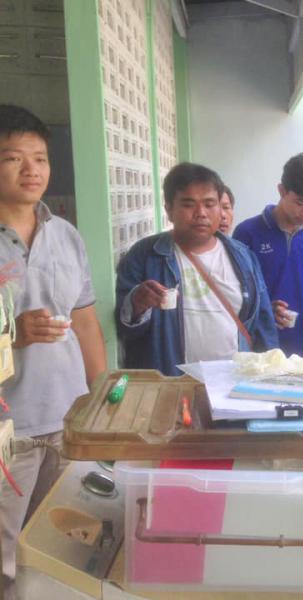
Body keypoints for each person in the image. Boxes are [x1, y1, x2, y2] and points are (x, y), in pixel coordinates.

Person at [0, 104, 106, 596]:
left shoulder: (66, 235)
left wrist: (100, 404)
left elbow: (85, 323)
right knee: (5, 558)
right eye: (13, 158)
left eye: (40, 158)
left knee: (65, 549)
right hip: (8, 433)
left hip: (67, 423)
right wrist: (13, 334)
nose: (31, 170)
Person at [116, 162, 278, 375]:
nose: (201, 213)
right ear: (169, 210)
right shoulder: (145, 255)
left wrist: (270, 373)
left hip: (234, 381)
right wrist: (138, 304)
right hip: (171, 382)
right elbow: (124, 327)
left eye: (209, 204)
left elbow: (263, 324)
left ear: (220, 209)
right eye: (188, 204)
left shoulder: (243, 256)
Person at [234, 153, 303, 359]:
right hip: (263, 349)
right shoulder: (248, 233)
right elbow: (237, 295)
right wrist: (264, 310)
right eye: (300, 203)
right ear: (281, 191)